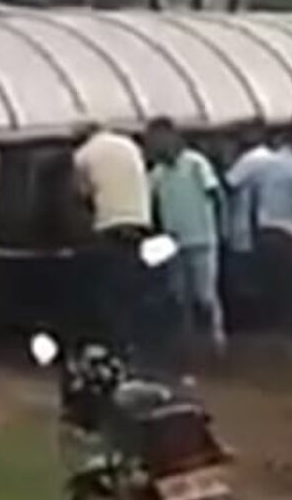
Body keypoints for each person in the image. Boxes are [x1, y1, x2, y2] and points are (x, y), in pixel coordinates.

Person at [71, 123, 153, 358]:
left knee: (109, 289)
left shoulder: (83, 155)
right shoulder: (130, 145)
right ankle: (135, 341)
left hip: (110, 225)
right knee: (132, 285)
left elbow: (80, 193)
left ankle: (115, 344)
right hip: (139, 221)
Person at [147, 118, 226, 354]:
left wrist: (222, 228)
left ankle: (216, 341)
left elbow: (215, 194)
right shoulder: (157, 173)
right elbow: (150, 204)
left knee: (205, 295)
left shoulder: (195, 163)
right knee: (179, 296)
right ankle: (188, 345)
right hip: (174, 244)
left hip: (202, 239)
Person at [245, 111, 292, 340]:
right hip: (289, 236)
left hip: (264, 233)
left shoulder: (266, 164)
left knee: (268, 294)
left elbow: (251, 197)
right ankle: (286, 344)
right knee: (290, 296)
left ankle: (268, 344)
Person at [222, 122, 274, 331]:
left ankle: (244, 327)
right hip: (264, 228)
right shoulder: (272, 158)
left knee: (241, 285)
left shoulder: (251, 159)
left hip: (243, 232)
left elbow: (229, 183)